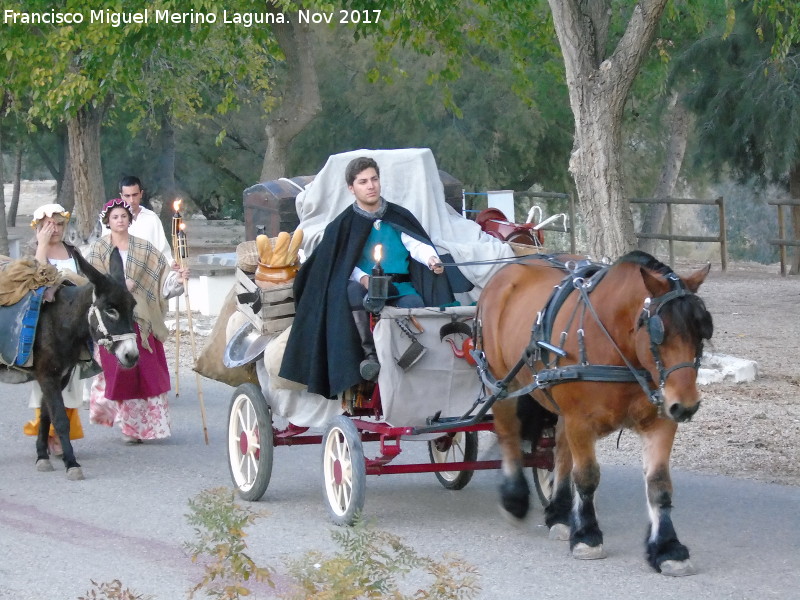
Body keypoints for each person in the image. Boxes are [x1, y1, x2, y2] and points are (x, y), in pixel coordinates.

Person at [279, 156, 471, 399]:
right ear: (352, 188)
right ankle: (369, 357)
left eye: (374, 179)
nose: (370, 186)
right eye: (362, 182)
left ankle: (407, 363)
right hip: (363, 287)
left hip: (398, 286)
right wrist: (363, 279)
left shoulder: (398, 216)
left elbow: (416, 245)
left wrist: (432, 260)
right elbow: (341, 264)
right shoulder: (343, 224)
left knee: (413, 305)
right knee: (350, 293)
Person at [87, 198, 187, 443]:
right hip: (114, 320)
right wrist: (118, 286)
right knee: (122, 374)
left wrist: (178, 277)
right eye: (115, 217)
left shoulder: (145, 249)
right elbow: (93, 284)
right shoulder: (99, 249)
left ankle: (153, 427)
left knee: (149, 371)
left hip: (143, 317)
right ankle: (130, 428)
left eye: (123, 216)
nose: (120, 220)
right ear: (107, 222)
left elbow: (161, 280)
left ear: (130, 220)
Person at [21, 204, 87, 456]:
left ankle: (63, 433)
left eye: (60, 224)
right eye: (50, 225)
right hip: (45, 324)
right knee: (47, 382)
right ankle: (50, 435)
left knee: (71, 384)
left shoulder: (72, 250)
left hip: (71, 325)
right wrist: (42, 244)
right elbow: (36, 279)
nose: (56, 230)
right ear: (39, 227)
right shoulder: (32, 250)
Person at [103, 176, 172, 259]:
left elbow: (163, 251)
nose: (131, 200)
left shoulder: (152, 219)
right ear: (121, 196)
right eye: (127, 196)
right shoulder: (111, 221)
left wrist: (172, 267)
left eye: (134, 195)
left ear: (141, 194)